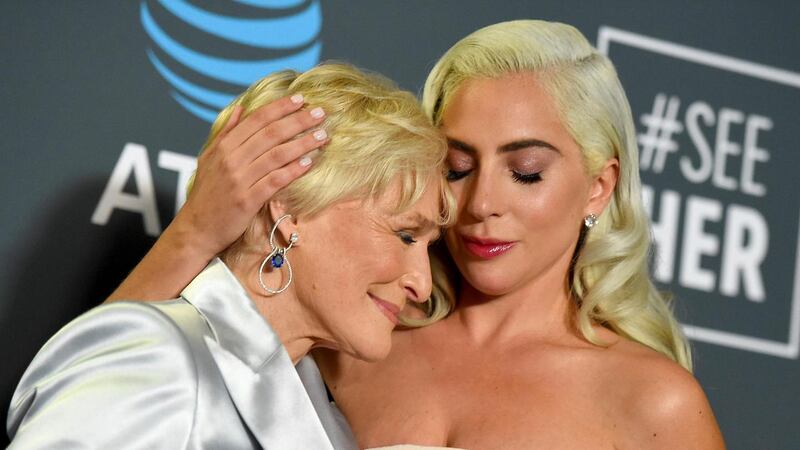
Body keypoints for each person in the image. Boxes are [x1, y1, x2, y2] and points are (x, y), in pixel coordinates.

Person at [100, 20, 725, 449]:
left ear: (598, 187)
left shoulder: (654, 404)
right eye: (457, 168)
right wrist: (194, 231)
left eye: (526, 172)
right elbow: (106, 392)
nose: (481, 204)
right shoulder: (354, 334)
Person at [6, 63, 453, 449]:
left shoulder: (329, 428)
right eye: (405, 235)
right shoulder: (161, 361)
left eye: (427, 245)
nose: (422, 283)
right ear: (290, 210)